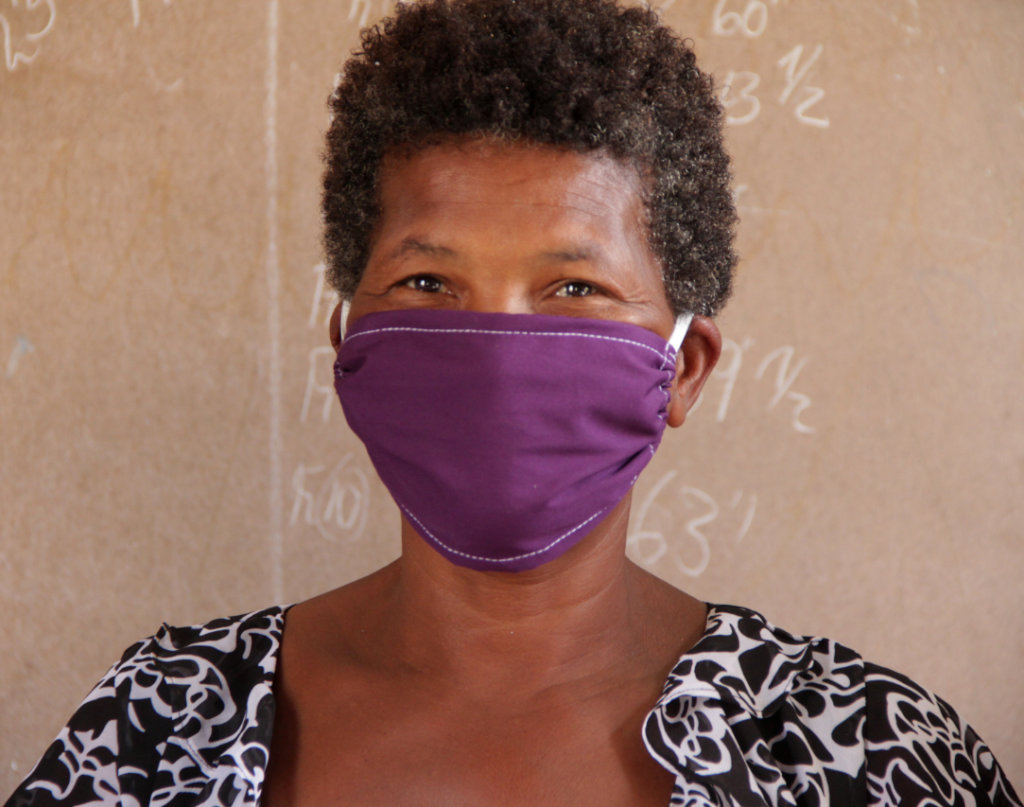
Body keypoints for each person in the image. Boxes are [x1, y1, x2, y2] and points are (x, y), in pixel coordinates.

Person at [6, 1, 1020, 805]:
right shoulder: (158, 729)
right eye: (427, 284)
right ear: (346, 344)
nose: (495, 350)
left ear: (684, 369)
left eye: (574, 289)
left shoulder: (872, 755)